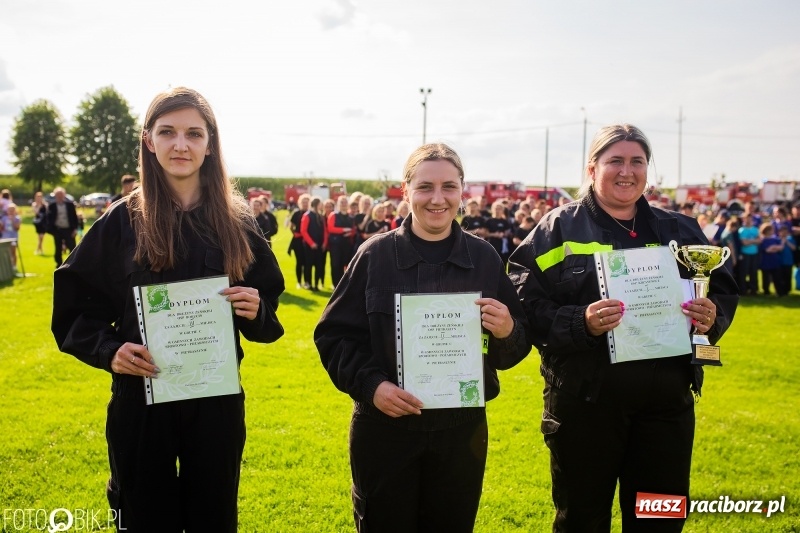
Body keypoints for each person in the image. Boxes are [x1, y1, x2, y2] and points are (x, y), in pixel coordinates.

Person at [51, 86, 285, 533]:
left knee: (212, 514)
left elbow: (267, 303)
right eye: (168, 132)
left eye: (194, 134)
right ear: (148, 140)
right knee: (142, 515)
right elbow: (75, 308)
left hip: (215, 401)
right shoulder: (121, 222)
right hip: (141, 400)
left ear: (210, 143)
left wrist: (256, 309)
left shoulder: (236, 224)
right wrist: (109, 350)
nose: (181, 145)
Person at [508, 124, 738, 532]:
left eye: (637, 161)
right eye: (615, 161)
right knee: (582, 519)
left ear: (648, 169)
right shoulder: (556, 228)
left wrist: (711, 316)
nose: (626, 171)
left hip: (666, 406)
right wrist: (581, 322)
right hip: (584, 406)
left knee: (659, 520)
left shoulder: (679, 229)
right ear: (592, 168)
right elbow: (523, 304)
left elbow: (721, 289)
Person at [314, 143, 529, 533]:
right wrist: (372, 385)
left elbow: (515, 348)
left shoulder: (483, 259)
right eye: (425, 186)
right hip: (384, 430)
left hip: (460, 433)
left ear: (463, 191)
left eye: (449, 186)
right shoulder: (374, 256)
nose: (437, 198)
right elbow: (334, 336)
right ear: (405, 189)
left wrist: (508, 330)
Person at [46, 187, 79, 267]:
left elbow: (74, 217)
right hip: (57, 229)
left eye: (61, 194)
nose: (60, 196)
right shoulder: (52, 205)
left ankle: (72, 263)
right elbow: (48, 218)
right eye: (58, 195)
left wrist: (75, 229)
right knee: (58, 247)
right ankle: (59, 264)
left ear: (64, 195)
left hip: (68, 229)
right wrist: (51, 230)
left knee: (72, 246)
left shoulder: (70, 205)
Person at [327, 194, 355, 287]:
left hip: (347, 244)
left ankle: (344, 285)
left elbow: (354, 230)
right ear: (338, 204)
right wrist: (343, 230)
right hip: (335, 245)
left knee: (346, 264)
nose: (343, 204)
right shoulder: (333, 215)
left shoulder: (350, 217)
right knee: (335, 265)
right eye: (341, 202)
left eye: (345, 202)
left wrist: (350, 233)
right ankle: (335, 285)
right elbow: (330, 228)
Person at [300, 196, 325, 291]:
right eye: (320, 204)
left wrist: (324, 243)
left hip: (319, 244)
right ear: (316, 205)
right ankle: (309, 283)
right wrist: (311, 243)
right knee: (309, 265)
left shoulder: (320, 216)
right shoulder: (307, 215)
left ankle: (316, 284)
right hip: (309, 245)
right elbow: (303, 231)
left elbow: (324, 231)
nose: (321, 206)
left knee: (318, 265)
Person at [288, 193, 310, 288]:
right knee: (299, 262)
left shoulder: (310, 214)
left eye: (307, 202)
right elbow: (291, 226)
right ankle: (299, 282)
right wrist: (295, 234)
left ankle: (307, 281)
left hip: (308, 241)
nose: (305, 204)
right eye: (303, 202)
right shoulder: (296, 213)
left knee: (307, 262)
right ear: (300, 203)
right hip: (298, 241)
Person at [737, 213, 760, 295]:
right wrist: (754, 241)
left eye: (750, 218)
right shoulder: (742, 230)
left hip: (754, 253)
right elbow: (744, 243)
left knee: (753, 272)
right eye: (747, 218)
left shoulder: (755, 229)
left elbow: (759, 240)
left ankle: (753, 289)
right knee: (744, 272)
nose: (748, 220)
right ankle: (743, 290)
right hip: (745, 253)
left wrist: (749, 241)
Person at [1, 203, 21, 269]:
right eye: (9, 210)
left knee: (13, 252)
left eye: (12, 210)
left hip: (13, 237)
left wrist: (12, 220)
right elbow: (2, 228)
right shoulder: (4, 218)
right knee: (5, 253)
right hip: (5, 237)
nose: (11, 211)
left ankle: (14, 266)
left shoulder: (17, 218)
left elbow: (17, 228)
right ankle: (6, 266)